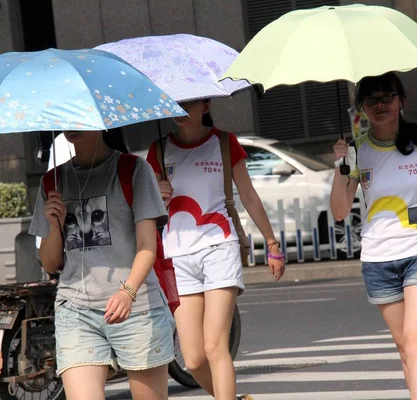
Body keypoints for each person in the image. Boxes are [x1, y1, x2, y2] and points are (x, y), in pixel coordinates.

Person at [330, 72, 417, 400]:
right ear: (361, 108)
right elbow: (339, 211)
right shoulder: (358, 151)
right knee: (406, 349)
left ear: (401, 100)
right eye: (371, 99)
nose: (380, 105)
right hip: (378, 259)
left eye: (387, 96)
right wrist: (340, 165)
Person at [146, 99, 285, 400]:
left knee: (215, 346)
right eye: (176, 103)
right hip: (177, 255)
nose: (182, 109)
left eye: (189, 103)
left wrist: (272, 244)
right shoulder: (157, 150)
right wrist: (156, 193)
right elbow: (145, 210)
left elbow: (248, 194)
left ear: (206, 105)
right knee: (193, 359)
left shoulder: (224, 142)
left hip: (219, 246)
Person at [29, 128, 175, 400]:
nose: (71, 124)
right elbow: (51, 262)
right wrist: (53, 224)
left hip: (137, 307)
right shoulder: (52, 182)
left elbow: (147, 246)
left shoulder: (134, 170)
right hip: (76, 310)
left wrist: (127, 291)